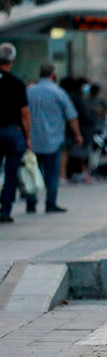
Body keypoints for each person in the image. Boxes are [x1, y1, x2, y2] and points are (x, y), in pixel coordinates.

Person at [26, 64, 82, 214]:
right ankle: (50, 203)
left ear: (40, 74)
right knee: (52, 173)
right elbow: (72, 116)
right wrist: (77, 135)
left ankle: (31, 202)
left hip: (32, 139)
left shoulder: (29, 92)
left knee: (32, 171)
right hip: (53, 139)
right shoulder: (59, 92)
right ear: (54, 75)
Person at [0, 43, 31, 224]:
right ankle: (5, 210)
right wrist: (28, 137)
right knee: (11, 172)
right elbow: (24, 113)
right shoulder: (17, 83)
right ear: (13, 61)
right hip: (13, 132)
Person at [66, 78, 95, 184]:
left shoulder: (79, 97)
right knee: (79, 153)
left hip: (83, 129)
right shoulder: (77, 98)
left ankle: (82, 173)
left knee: (81, 152)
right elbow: (84, 114)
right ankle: (79, 173)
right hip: (82, 129)